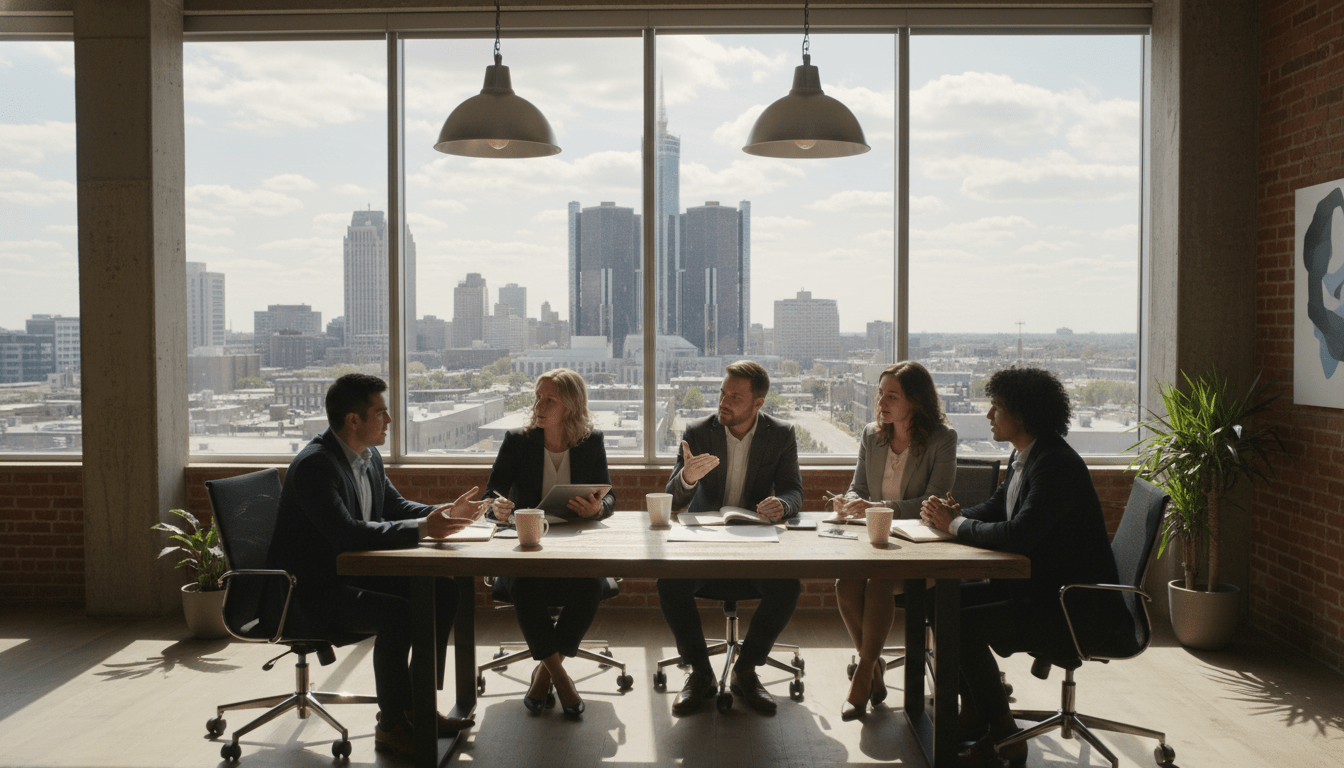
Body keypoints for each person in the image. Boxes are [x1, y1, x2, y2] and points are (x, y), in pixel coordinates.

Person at [266, 373, 488, 759]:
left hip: (347, 578)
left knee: (443, 589)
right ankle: (391, 726)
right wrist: (423, 529)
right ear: (354, 420)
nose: (389, 422)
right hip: (307, 594)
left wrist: (447, 514)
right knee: (398, 614)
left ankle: (417, 710)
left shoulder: (368, 458)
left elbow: (394, 508)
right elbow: (347, 534)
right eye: (381, 413)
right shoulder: (316, 467)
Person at [920, 368, 1122, 768]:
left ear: (1023, 415)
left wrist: (956, 526)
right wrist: (948, 518)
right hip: (1039, 588)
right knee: (938, 605)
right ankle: (976, 711)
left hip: (1070, 606)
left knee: (961, 623)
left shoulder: (1055, 465)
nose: (989, 414)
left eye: (997, 407)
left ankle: (1004, 732)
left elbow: (1018, 534)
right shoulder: (1027, 454)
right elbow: (999, 507)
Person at [658, 360, 804, 715]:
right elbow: (672, 499)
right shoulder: (698, 430)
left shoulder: (780, 434)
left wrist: (781, 505)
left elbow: (794, 491)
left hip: (756, 543)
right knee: (668, 583)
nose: (723, 401)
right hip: (705, 544)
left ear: (758, 403)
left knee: (789, 587)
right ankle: (701, 672)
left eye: (735, 396)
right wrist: (687, 480)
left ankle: (746, 669)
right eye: (723, 393)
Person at [484, 368, 616, 719]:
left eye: (550, 400)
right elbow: (491, 495)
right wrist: (496, 508)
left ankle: (543, 672)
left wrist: (597, 507)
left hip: (576, 545)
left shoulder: (592, 442)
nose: (538, 406)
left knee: (589, 586)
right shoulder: (518, 441)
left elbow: (610, 496)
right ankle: (560, 677)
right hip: (529, 545)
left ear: (571, 406)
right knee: (525, 586)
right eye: (538, 398)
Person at [831, 361, 957, 720]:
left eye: (891, 396)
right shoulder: (872, 434)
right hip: (871, 540)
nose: (881, 403)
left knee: (878, 583)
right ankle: (874, 670)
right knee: (844, 586)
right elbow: (859, 484)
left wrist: (882, 505)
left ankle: (862, 674)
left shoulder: (942, 439)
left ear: (915, 401)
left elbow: (935, 500)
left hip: (915, 545)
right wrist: (850, 500)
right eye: (879, 395)